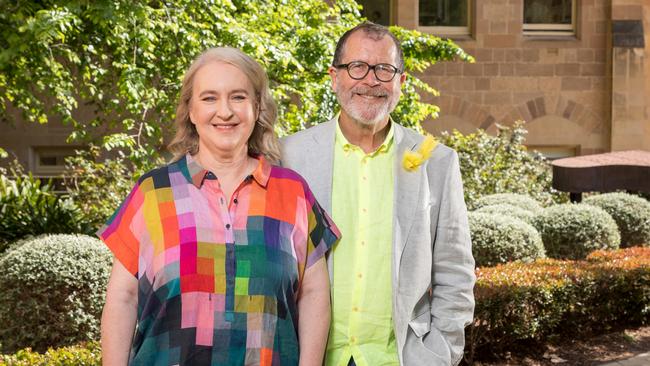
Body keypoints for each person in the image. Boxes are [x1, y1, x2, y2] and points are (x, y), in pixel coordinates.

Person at [99, 47, 340, 366]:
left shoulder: (292, 192)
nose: (224, 111)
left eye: (238, 97)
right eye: (209, 98)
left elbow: (313, 296)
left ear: (257, 107)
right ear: (191, 111)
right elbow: (123, 298)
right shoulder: (153, 192)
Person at [282, 22, 476, 366]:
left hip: (401, 357)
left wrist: (438, 354)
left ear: (401, 82)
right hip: (308, 356)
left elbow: (455, 272)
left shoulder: (437, 162)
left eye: (384, 70)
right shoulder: (290, 156)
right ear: (334, 76)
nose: (370, 80)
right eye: (357, 67)